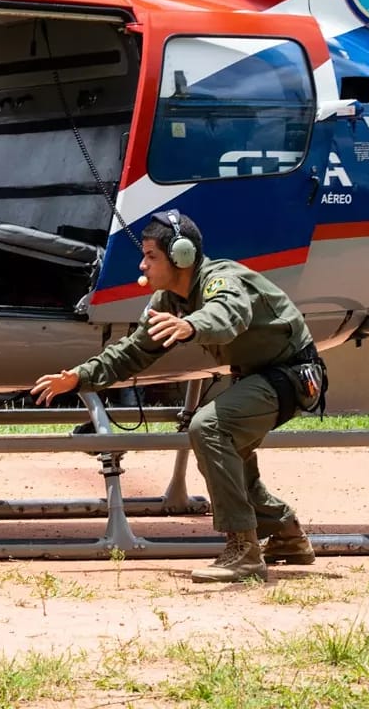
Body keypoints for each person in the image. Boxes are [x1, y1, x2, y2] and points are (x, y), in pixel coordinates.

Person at [30, 209, 323, 583]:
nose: (143, 265)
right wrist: (79, 377)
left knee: (210, 428)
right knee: (230, 460)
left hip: (291, 376)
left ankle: (244, 552)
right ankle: (286, 535)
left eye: (151, 256)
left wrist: (190, 325)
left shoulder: (222, 280)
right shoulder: (169, 300)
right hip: (260, 377)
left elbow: (228, 313)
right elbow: (132, 352)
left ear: (181, 256)